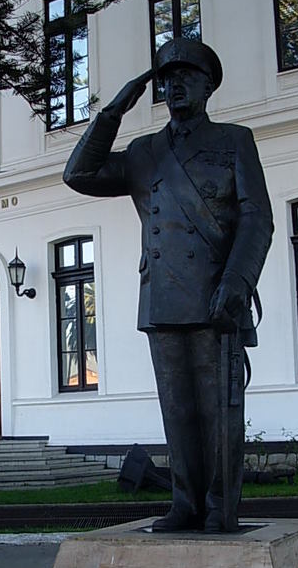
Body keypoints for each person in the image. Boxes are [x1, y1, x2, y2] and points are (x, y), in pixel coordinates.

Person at [63, 38, 273, 532]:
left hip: (216, 296)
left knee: (218, 414)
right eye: (165, 78)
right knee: (177, 411)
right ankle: (186, 503)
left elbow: (256, 218)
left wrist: (238, 281)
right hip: (161, 300)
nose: (174, 85)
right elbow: (79, 172)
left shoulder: (234, 140)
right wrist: (113, 111)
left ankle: (220, 505)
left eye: (185, 75)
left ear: (207, 85)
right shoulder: (143, 153)